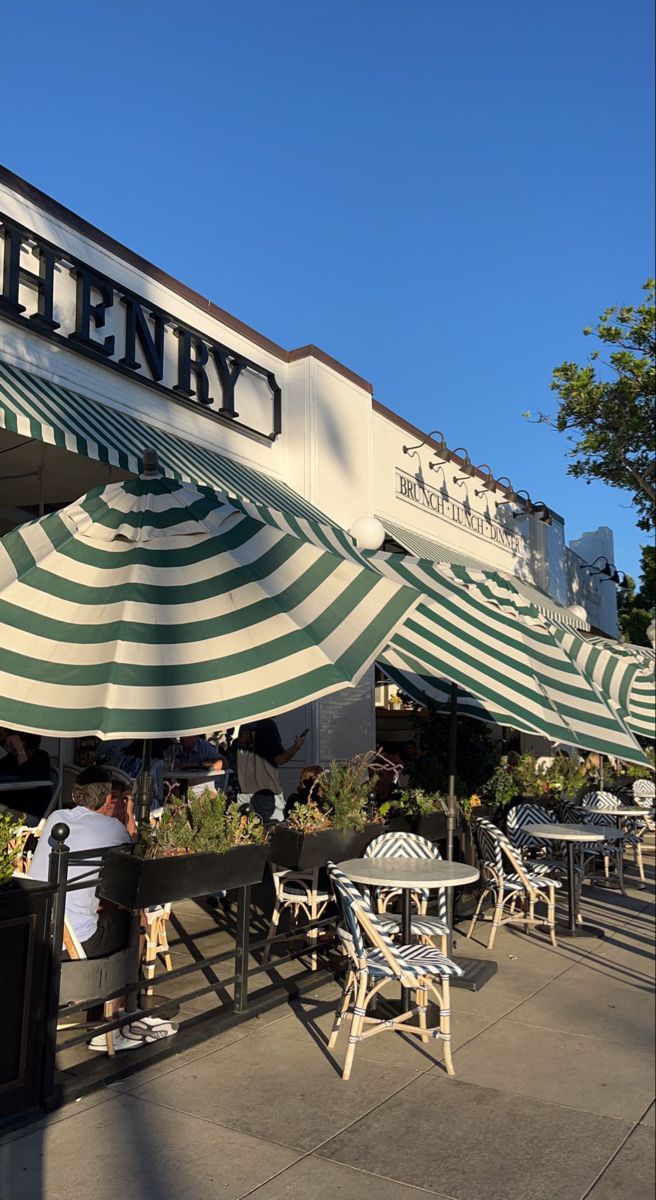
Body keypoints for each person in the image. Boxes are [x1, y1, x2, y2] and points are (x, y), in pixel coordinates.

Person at [29, 767, 133, 957]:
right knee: (135, 918)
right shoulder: (113, 828)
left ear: (74, 796)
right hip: (76, 941)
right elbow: (134, 854)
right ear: (108, 799)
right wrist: (129, 811)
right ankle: (136, 981)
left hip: (38, 930)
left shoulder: (55, 817)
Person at [237, 719, 307, 820]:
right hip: (265, 793)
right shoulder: (268, 724)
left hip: (244, 791)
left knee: (245, 833)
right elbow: (281, 759)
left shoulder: (244, 725)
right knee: (274, 832)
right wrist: (297, 745)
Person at [0, 731, 53, 824]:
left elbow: (28, 776)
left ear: (23, 742)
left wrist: (20, 750)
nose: (8, 742)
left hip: (30, 810)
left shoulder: (41, 757)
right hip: (11, 805)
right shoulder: (12, 758)